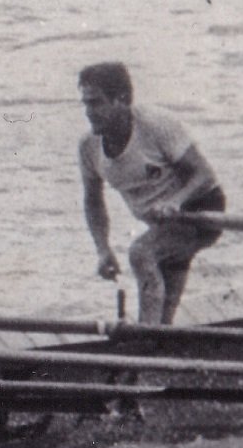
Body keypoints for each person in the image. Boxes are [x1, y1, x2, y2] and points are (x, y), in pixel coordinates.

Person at [77, 60, 225, 325]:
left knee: (141, 254)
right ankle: (157, 347)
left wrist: (176, 202)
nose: (89, 112)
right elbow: (93, 201)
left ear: (122, 99)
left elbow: (204, 175)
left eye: (96, 103)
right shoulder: (88, 147)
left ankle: (146, 337)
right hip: (162, 224)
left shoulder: (156, 125)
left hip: (200, 211)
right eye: (85, 103)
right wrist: (102, 250)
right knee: (164, 310)